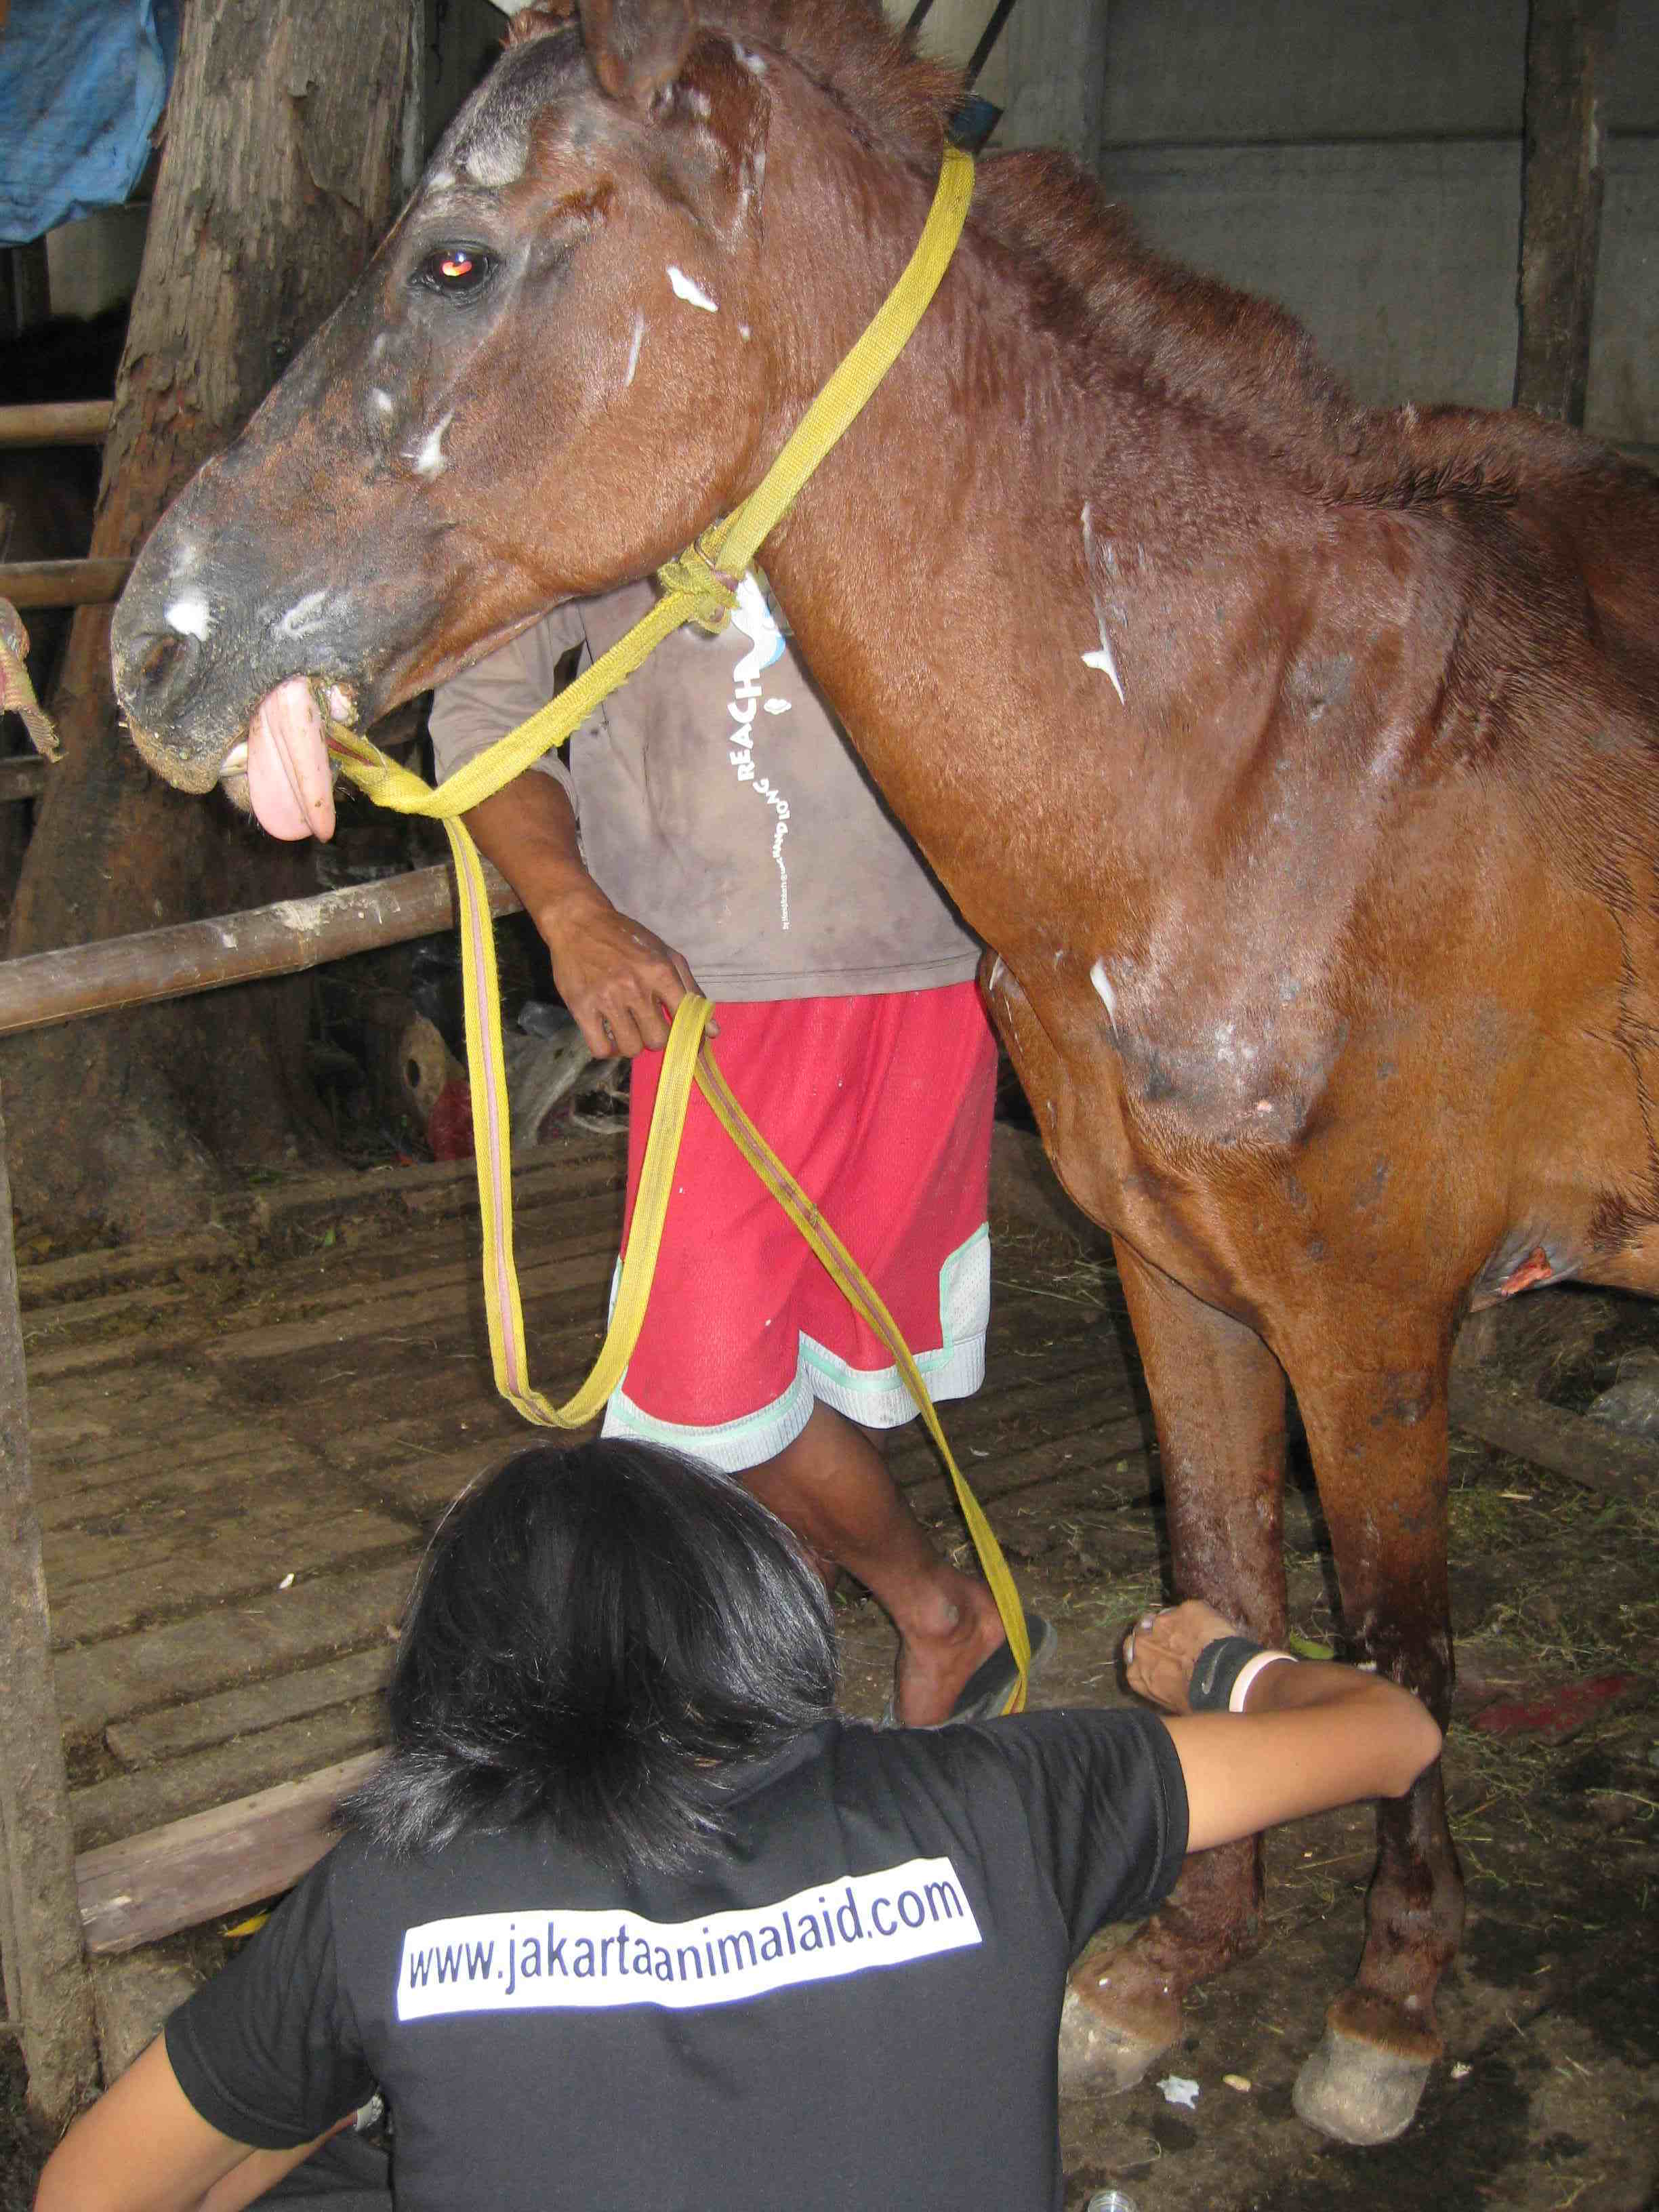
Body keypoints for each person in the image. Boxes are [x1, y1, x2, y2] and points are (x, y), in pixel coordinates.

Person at [36, 1438, 1443, 2212]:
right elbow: (1396, 1734)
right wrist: (1217, 1670)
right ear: (762, 1611)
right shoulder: (1002, 1800)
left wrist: (330, 2073)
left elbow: (92, 2195)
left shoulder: (396, 1896)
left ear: (456, 1672)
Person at [428, 576, 1038, 1727]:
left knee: (835, 1353)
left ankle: (781, 1661)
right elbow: (479, 702)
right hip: (711, 991)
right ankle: (938, 1610)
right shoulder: (612, 460)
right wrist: (568, 908)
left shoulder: (880, 411)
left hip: (934, 963)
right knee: (701, 1391)